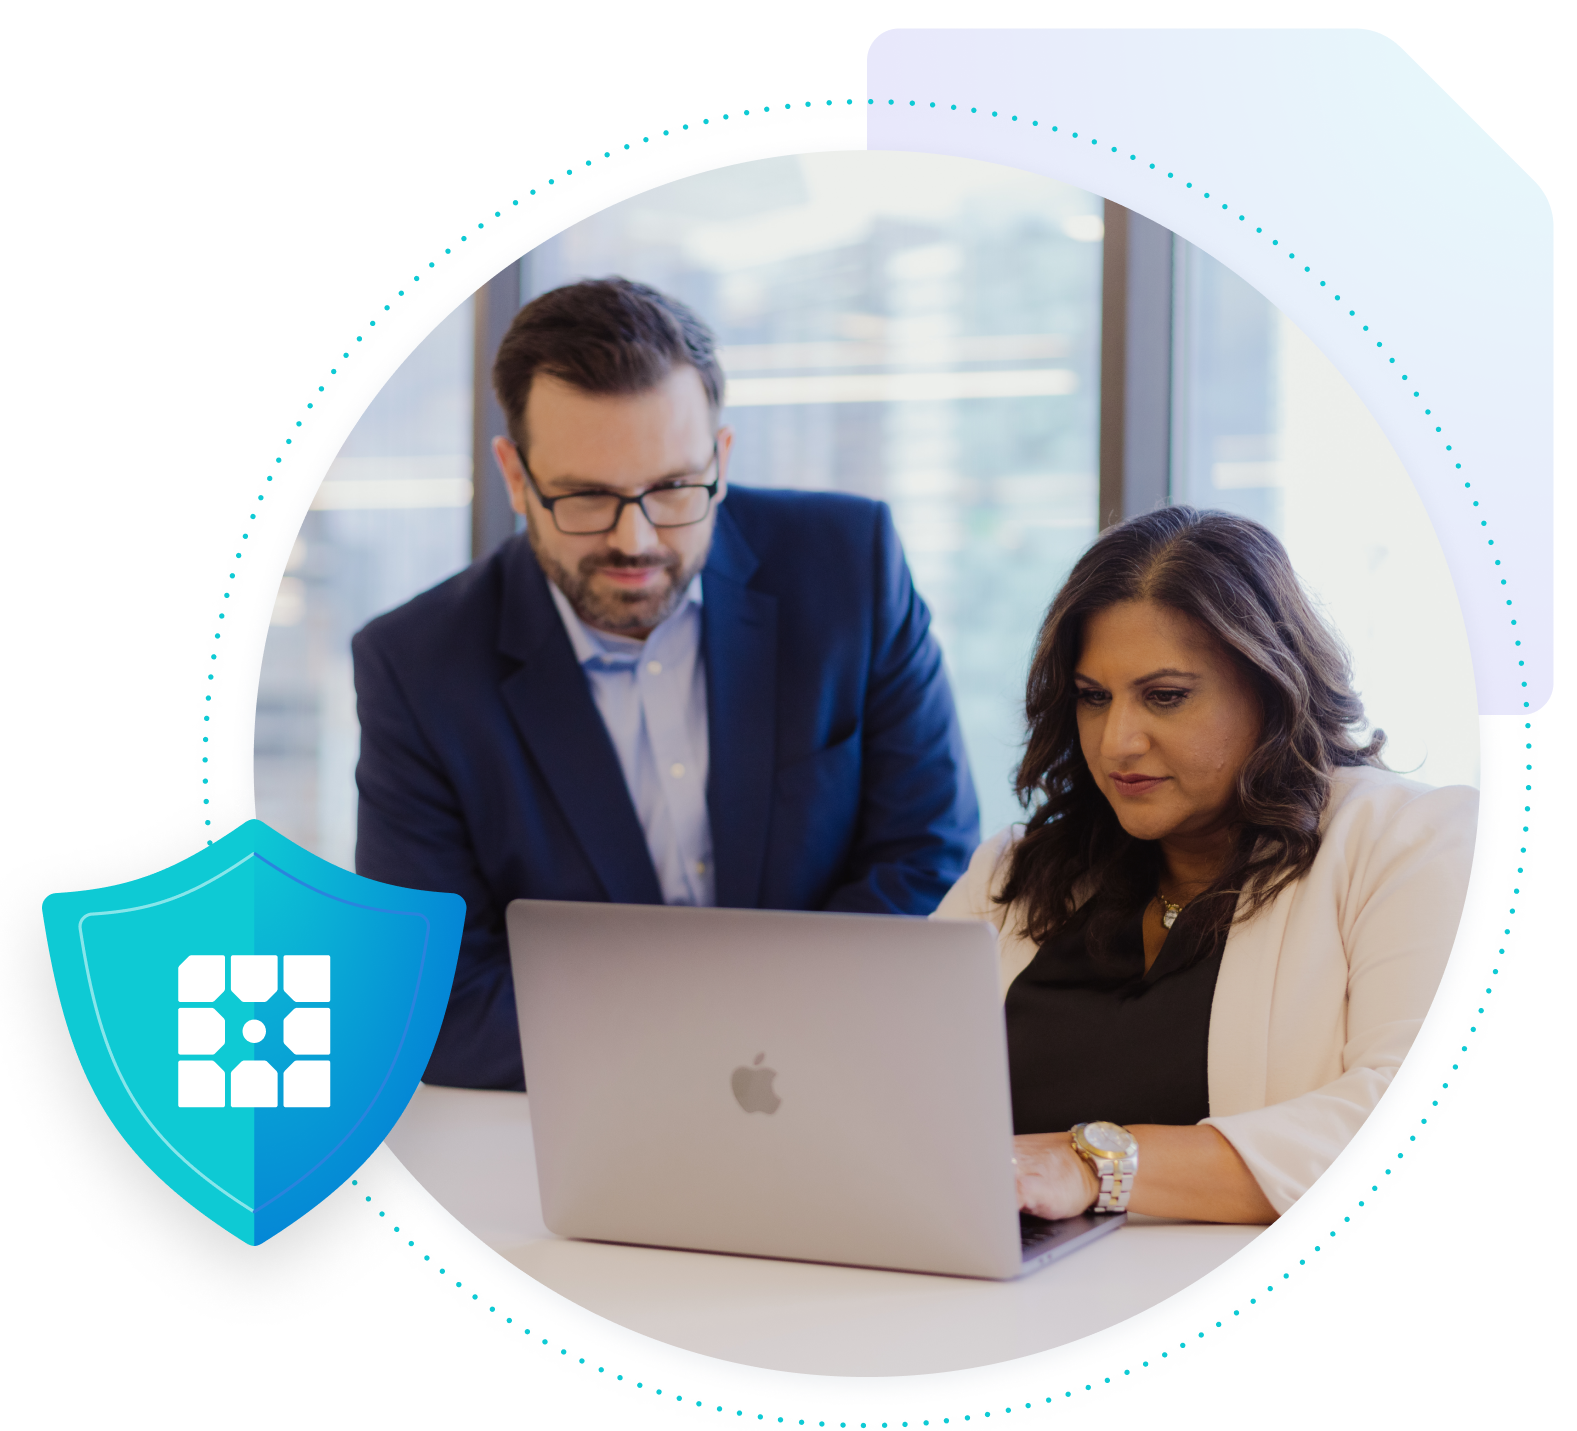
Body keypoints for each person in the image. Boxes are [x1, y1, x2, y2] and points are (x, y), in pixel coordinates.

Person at [353, 278, 980, 1090]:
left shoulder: (848, 565)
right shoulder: (416, 666)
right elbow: (435, 1005)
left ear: (719, 458)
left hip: (844, 1081)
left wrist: (751, 1037)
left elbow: (931, 861)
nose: (635, 538)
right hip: (577, 1124)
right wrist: (715, 1046)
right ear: (515, 477)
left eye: (674, 489)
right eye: (586, 496)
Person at [935, 505, 1477, 1223]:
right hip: (1003, 1295)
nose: (1117, 741)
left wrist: (1093, 1165)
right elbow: (893, 1080)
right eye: (1093, 698)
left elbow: (1420, 1119)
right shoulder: (1016, 869)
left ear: (1269, 686)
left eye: (1164, 697)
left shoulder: (1408, 839)